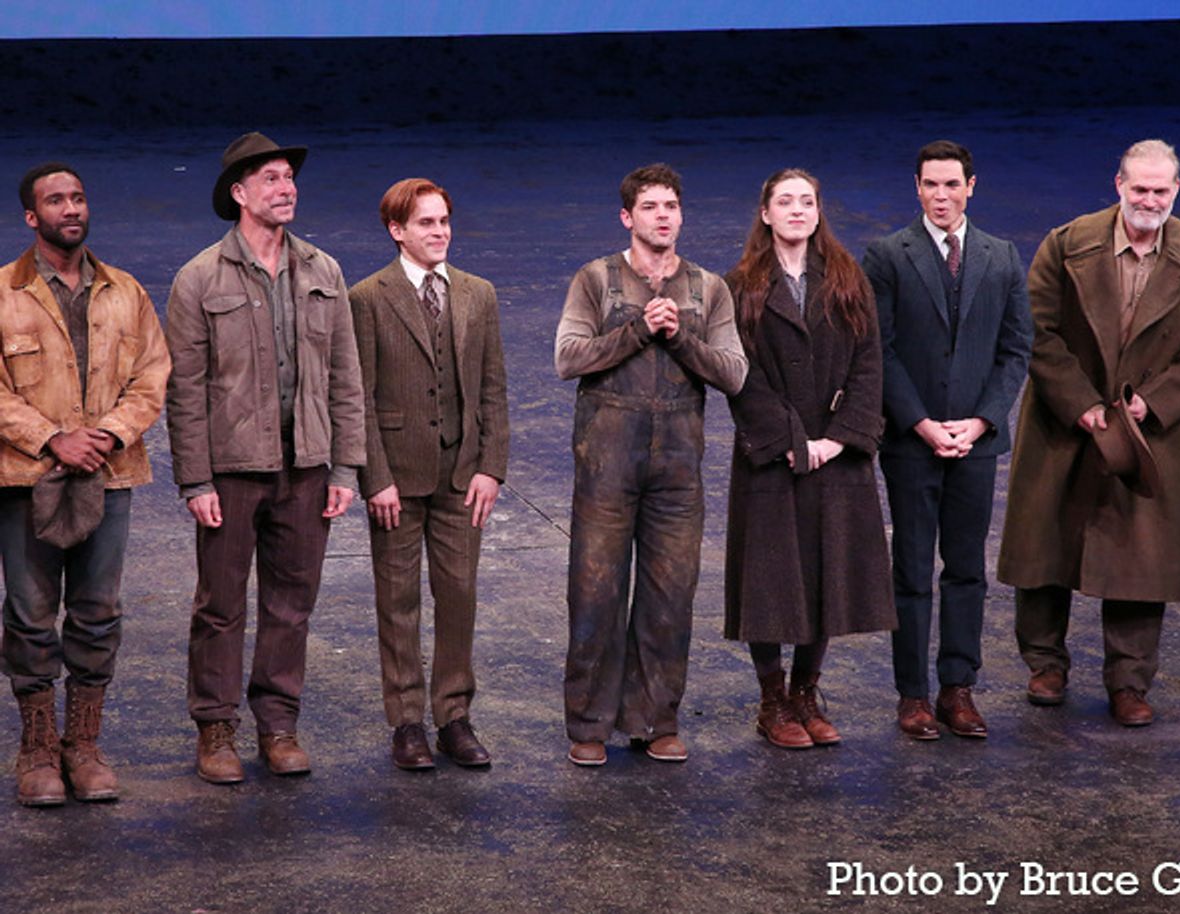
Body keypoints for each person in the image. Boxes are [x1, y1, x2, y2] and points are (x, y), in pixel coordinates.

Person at [997, 139, 1180, 727]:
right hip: (1066, 419)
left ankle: (1129, 681)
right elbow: (1037, 329)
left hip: (1147, 427)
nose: (1149, 200)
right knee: (1046, 545)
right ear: (1118, 185)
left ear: (1176, 191)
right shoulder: (1068, 242)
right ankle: (1045, 665)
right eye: (1139, 188)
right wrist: (1081, 403)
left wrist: (1150, 405)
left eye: (1161, 190)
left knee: (1139, 556)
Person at [166, 132, 366, 783]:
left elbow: (345, 376)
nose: (286, 189)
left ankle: (278, 725)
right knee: (220, 604)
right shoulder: (199, 278)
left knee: (291, 604)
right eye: (272, 179)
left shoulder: (324, 271)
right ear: (239, 193)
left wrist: (345, 467)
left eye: (289, 178)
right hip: (231, 470)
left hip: (305, 468)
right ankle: (215, 728)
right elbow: (185, 391)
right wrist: (195, 478)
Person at [556, 163, 747, 766]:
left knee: (671, 595)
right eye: (650, 207)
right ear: (627, 218)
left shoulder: (707, 288)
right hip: (607, 463)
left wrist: (680, 339)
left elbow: (734, 372)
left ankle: (655, 719)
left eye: (671, 206)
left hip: (677, 469)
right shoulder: (597, 280)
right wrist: (640, 329)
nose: (662, 216)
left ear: (681, 215)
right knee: (595, 591)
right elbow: (568, 358)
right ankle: (589, 725)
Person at [0, 163, 170, 805]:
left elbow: (153, 374)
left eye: (77, 197)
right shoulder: (3, 293)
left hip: (108, 472)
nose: (70, 208)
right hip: (25, 477)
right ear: (31, 216)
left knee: (98, 614)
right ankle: (38, 749)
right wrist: (52, 439)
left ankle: (84, 745)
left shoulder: (125, 292)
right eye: (54, 200)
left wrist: (105, 436)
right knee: (30, 615)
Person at [863, 141, 1033, 740]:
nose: (941, 195)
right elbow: (877, 350)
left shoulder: (1001, 257)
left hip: (976, 442)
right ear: (917, 187)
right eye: (931, 185)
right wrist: (922, 423)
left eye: (951, 184)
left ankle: (958, 688)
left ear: (971, 186)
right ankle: (912, 695)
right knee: (911, 569)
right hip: (913, 442)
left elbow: (1015, 350)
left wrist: (983, 421)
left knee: (966, 569)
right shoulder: (886, 255)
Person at [724, 168, 895, 750]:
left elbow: (870, 363)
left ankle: (804, 693)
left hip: (837, 456)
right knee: (771, 580)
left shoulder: (848, 280)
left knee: (825, 573)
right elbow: (739, 374)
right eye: (785, 202)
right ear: (766, 213)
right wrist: (794, 440)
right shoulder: (742, 285)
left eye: (808, 201)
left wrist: (841, 437)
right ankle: (772, 699)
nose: (798, 210)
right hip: (772, 457)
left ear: (819, 212)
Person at [350, 178, 509, 769]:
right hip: (397, 474)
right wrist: (376, 477)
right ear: (397, 231)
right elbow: (358, 396)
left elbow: (493, 387)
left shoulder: (477, 294)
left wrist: (491, 467)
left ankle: (454, 715)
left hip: (460, 474)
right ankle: (407, 721)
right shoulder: (368, 297)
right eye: (425, 223)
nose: (439, 231)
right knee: (397, 600)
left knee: (459, 594)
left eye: (444, 221)